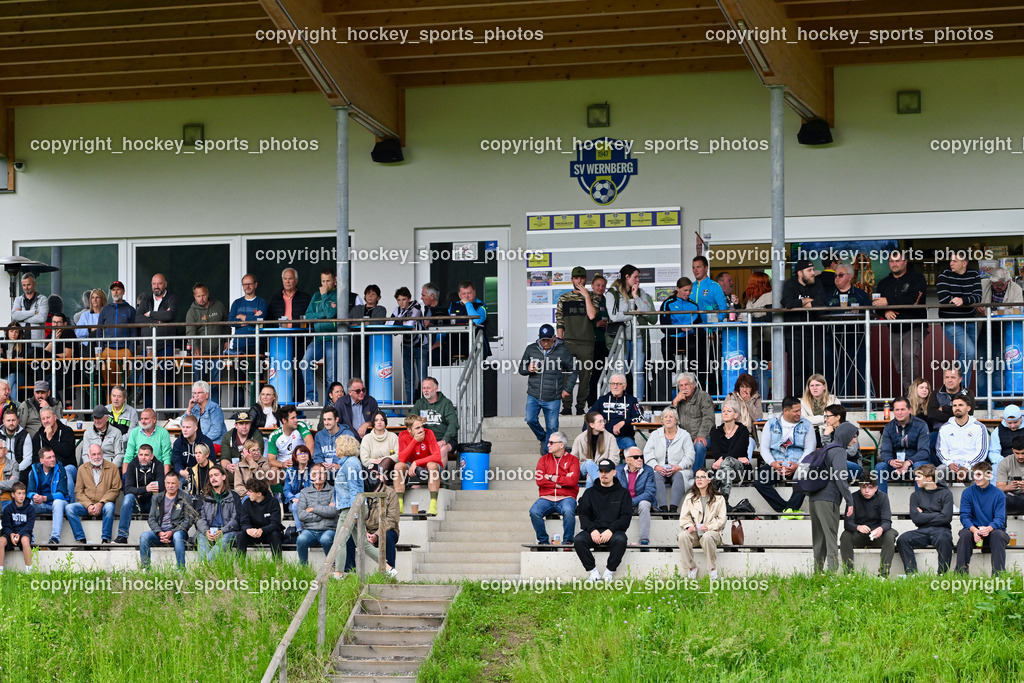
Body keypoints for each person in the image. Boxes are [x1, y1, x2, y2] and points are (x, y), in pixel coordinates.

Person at [873, 253, 928, 392]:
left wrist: (889, 302)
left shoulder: (917, 278)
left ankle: (914, 396)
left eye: (897, 261)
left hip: (914, 326)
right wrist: (885, 312)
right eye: (891, 261)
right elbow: (876, 306)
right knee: (900, 366)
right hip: (894, 329)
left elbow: (914, 300)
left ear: (905, 261)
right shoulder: (884, 283)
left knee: (909, 356)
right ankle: (910, 395)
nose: (894, 264)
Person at [519, 324, 576, 454]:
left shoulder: (563, 350)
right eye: (543, 340)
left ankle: (547, 450)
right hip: (533, 394)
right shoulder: (531, 349)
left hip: (553, 397)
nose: (545, 343)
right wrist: (528, 369)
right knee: (530, 419)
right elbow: (521, 368)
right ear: (538, 337)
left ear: (554, 338)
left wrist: (568, 389)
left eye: (548, 340)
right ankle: (544, 439)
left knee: (552, 427)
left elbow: (573, 370)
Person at [574, 458, 633, 582]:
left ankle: (609, 572)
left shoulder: (623, 493)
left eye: (607, 471)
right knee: (579, 540)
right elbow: (583, 514)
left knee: (621, 540)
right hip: (594, 531)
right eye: (601, 471)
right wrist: (592, 530)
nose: (604, 474)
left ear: (614, 472)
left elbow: (625, 518)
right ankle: (593, 572)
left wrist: (611, 530)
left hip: (613, 532)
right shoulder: (589, 493)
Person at [754, 396, 813, 515]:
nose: (799, 413)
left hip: (797, 463)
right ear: (785, 411)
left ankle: (790, 508)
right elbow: (764, 448)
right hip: (777, 463)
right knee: (759, 481)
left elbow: (809, 449)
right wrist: (773, 463)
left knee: (806, 475)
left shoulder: (807, 425)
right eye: (796, 411)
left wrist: (798, 465)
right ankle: (786, 510)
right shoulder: (771, 424)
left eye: (800, 410)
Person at [605, 265, 656, 401]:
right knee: (620, 371)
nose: (638, 280)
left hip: (638, 336)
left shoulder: (640, 291)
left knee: (638, 371)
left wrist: (635, 296)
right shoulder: (612, 292)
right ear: (627, 277)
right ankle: (619, 400)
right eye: (635, 277)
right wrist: (633, 314)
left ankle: (638, 401)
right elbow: (614, 316)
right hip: (621, 337)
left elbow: (647, 311)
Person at [807, 430, 855, 572]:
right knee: (830, 537)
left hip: (813, 498)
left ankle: (818, 572)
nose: (855, 440)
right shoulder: (839, 451)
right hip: (828, 499)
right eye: (854, 436)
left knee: (818, 538)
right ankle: (832, 574)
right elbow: (841, 477)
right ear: (846, 436)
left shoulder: (825, 449)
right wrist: (849, 500)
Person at [896, 464, 954, 574]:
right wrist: (937, 514)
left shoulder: (946, 493)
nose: (915, 479)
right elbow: (916, 519)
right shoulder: (915, 495)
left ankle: (942, 575)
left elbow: (946, 518)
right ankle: (912, 575)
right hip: (922, 531)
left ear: (929, 478)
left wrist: (924, 515)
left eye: (918, 476)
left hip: (942, 530)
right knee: (903, 539)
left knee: (944, 539)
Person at [825, 263, 871, 397]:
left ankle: (870, 404)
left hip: (857, 338)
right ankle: (843, 404)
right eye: (835, 276)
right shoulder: (829, 296)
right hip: (834, 338)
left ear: (850, 277)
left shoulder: (861, 295)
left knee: (863, 370)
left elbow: (870, 313)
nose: (836, 278)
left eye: (840, 275)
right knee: (839, 372)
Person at [556, 266, 597, 416]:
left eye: (581, 278)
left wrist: (586, 296)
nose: (579, 281)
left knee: (585, 377)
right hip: (568, 343)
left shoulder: (593, 297)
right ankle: (566, 406)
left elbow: (592, 315)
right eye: (576, 278)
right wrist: (560, 343)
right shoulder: (564, 298)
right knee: (566, 376)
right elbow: (559, 322)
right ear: (572, 279)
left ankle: (580, 407)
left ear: (585, 279)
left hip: (586, 343)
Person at [955, 461, 1009, 575]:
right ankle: (960, 574)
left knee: (998, 535)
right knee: (965, 534)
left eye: (979, 475)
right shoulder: (967, 492)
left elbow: (1000, 519)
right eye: (974, 474)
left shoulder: (999, 494)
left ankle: (998, 576)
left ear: (989, 475)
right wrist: (974, 530)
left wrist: (988, 528)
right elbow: (964, 516)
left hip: (993, 532)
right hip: (974, 533)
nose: (976, 478)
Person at [937, 252, 982, 389]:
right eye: (951, 260)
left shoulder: (974, 274)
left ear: (964, 263)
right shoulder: (944, 274)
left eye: (955, 261)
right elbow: (944, 298)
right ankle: (960, 390)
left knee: (968, 355)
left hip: (970, 319)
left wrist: (962, 300)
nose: (951, 263)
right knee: (969, 352)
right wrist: (965, 300)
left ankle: (961, 389)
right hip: (951, 321)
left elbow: (978, 297)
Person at [781, 259, 826, 394]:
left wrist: (799, 303)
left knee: (816, 369)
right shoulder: (790, 284)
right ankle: (799, 402)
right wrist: (805, 301)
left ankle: (816, 402)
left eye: (813, 270)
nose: (813, 273)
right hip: (795, 335)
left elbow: (822, 302)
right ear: (800, 273)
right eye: (809, 270)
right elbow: (787, 302)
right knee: (797, 370)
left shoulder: (817, 283)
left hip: (815, 333)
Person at [840, 474, 898, 576]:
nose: (867, 491)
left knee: (889, 535)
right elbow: (847, 523)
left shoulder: (883, 497)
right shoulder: (853, 498)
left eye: (870, 488)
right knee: (845, 535)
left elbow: (887, 521)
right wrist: (857, 527)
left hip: (877, 534)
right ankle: (848, 574)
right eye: (864, 487)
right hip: (859, 534)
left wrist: (880, 529)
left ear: (876, 488)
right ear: (860, 487)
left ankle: (883, 575)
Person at [529, 431, 579, 546]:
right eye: (548, 442)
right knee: (534, 511)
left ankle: (567, 541)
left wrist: (551, 477)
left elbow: (572, 481)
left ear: (561, 445)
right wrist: (561, 481)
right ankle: (543, 542)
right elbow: (540, 481)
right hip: (546, 497)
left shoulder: (573, 460)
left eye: (551, 442)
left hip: (566, 497)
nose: (548, 445)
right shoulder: (543, 460)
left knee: (568, 511)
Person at [873, 397, 931, 493]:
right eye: (897, 410)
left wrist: (908, 463)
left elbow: (924, 451)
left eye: (902, 409)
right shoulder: (888, 427)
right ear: (893, 411)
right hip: (895, 466)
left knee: (920, 466)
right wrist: (891, 462)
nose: (899, 413)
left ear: (909, 410)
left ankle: (921, 504)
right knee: (880, 467)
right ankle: (881, 505)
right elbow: (885, 451)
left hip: (914, 465)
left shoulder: (921, 425)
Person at [66, 443, 122, 543]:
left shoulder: (113, 468)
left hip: (104, 504)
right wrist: (89, 505)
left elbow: (115, 489)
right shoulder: (82, 469)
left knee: (110, 507)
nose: (97, 457)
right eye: (94, 454)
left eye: (99, 454)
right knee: (69, 508)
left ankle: (105, 539)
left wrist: (101, 503)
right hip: (87, 506)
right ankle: (81, 539)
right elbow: (78, 491)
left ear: (103, 454)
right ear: (88, 456)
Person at [659, 277, 703, 402]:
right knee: (665, 345)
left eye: (690, 291)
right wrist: (679, 329)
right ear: (678, 289)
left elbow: (699, 324)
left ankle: (692, 375)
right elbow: (664, 327)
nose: (688, 293)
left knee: (695, 344)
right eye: (685, 290)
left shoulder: (693, 305)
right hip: (673, 336)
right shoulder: (668, 303)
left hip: (688, 337)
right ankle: (673, 374)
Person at [300, 267, 340, 406]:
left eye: (328, 281)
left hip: (332, 339)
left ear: (335, 281)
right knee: (304, 363)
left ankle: (330, 404)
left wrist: (324, 298)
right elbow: (308, 315)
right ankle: (312, 399)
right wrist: (321, 315)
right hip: (318, 338)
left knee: (331, 375)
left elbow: (330, 315)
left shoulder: (338, 295)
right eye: (323, 281)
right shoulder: (316, 295)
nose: (325, 284)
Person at [678, 468, 727, 579]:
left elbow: (722, 519)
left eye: (702, 477)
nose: (699, 479)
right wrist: (688, 526)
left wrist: (709, 527)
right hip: (695, 533)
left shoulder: (719, 498)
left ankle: (712, 569)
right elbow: (684, 517)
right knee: (682, 536)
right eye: (697, 477)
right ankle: (691, 568)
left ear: (709, 480)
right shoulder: (690, 498)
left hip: (712, 533)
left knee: (707, 537)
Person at [139, 472, 196, 569]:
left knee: (178, 536)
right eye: (168, 483)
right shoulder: (157, 497)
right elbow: (151, 518)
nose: (170, 486)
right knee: (144, 536)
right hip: (160, 533)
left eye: (173, 483)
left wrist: (172, 532)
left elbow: (188, 520)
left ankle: (181, 569)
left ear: (179, 484)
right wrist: (159, 532)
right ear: (164, 484)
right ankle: (145, 569)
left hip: (177, 532)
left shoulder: (185, 498)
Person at [644, 407, 695, 512]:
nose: (668, 419)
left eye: (671, 417)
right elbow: (647, 453)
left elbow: (690, 455)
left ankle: (673, 508)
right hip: (659, 469)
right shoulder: (655, 435)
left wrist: (678, 467)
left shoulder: (684, 435)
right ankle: (663, 508)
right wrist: (656, 466)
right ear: (662, 420)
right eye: (665, 417)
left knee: (678, 476)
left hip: (679, 469)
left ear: (676, 420)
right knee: (655, 476)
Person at [690, 257, 728, 396]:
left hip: (710, 334)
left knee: (711, 367)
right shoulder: (691, 287)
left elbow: (723, 309)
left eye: (698, 267)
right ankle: (696, 397)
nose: (695, 270)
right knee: (695, 366)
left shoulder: (714, 286)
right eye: (693, 267)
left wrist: (714, 328)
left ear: (706, 268)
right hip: (693, 333)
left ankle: (713, 399)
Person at [115, 443, 164, 544]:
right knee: (128, 497)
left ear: (152, 456)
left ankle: (160, 534)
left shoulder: (158, 465)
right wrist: (146, 489)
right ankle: (122, 536)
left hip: (152, 503)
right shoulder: (132, 465)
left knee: (158, 495)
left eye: (146, 455)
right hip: (138, 503)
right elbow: (128, 489)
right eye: (141, 455)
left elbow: (162, 487)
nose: (143, 458)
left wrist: (138, 490)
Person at [184, 282, 229, 391]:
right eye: (198, 296)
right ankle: (200, 408)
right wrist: (195, 347)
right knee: (200, 387)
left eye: (203, 295)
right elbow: (190, 332)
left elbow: (227, 324)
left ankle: (214, 408)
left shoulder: (219, 306)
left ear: (208, 294)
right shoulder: (192, 312)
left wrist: (227, 340)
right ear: (194, 297)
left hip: (217, 353)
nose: (202, 298)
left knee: (215, 385)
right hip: (200, 355)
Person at [395, 415, 443, 515]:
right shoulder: (403, 435)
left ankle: (433, 505)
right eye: (417, 428)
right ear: (409, 429)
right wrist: (414, 441)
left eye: (422, 426)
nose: (421, 430)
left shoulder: (429, 433)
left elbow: (437, 456)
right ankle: (399, 507)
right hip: (412, 469)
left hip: (428, 467)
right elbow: (402, 458)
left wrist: (416, 462)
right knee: (398, 466)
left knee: (432, 466)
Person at [331, 434, 365, 577]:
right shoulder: (349, 462)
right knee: (364, 544)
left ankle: (338, 573)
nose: (336, 449)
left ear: (344, 448)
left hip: (350, 508)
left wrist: (355, 513)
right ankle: (388, 569)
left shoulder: (350, 463)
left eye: (337, 446)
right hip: (350, 506)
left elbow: (354, 489)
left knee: (340, 540)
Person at [936, 396, 988, 484]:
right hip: (951, 466)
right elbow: (940, 450)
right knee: (938, 472)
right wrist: (949, 463)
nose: (957, 408)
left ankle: (974, 498)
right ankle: (944, 497)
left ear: (968, 408)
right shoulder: (945, 428)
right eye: (954, 405)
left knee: (979, 474)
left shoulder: (979, 427)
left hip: (972, 466)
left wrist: (966, 467)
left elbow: (982, 452)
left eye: (960, 405)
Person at [195, 465, 243, 561]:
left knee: (224, 539)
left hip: (227, 531)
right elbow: (199, 518)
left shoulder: (234, 496)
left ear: (224, 477)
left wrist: (222, 531)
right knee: (200, 537)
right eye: (211, 476)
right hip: (208, 531)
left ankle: (204, 567)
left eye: (216, 475)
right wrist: (206, 531)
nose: (213, 478)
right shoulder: (204, 496)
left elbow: (236, 518)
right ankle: (207, 568)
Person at [386, 286, 425, 402]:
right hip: (407, 345)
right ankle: (410, 406)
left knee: (423, 378)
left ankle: (425, 406)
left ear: (409, 299)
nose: (401, 303)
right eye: (398, 300)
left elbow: (410, 323)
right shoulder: (397, 309)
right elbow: (389, 324)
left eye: (403, 299)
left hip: (420, 346)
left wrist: (399, 323)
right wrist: (402, 322)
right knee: (409, 378)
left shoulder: (416, 306)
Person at [295, 463, 339, 565]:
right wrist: (324, 513)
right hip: (310, 530)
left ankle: (332, 567)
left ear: (326, 476)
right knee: (301, 539)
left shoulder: (333, 491)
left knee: (326, 539)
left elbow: (333, 512)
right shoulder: (304, 492)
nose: (319, 476)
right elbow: (301, 515)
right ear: (311, 475)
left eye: (322, 473)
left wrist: (313, 509)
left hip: (328, 529)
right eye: (315, 473)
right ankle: (304, 569)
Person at [671, 372, 714, 476]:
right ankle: (674, 476)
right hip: (685, 437)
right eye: (681, 385)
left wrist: (701, 435)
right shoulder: (678, 400)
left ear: (693, 385)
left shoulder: (703, 396)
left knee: (699, 445)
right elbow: (669, 419)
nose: (684, 388)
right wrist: (675, 403)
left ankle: (696, 477)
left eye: (686, 385)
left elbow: (709, 418)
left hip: (705, 436)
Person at [708, 398, 751, 502]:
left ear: (736, 415)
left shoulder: (743, 431)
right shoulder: (715, 433)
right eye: (723, 411)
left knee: (729, 461)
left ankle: (716, 483)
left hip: (740, 469)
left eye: (729, 411)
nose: (725, 413)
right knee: (727, 467)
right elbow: (716, 452)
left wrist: (723, 458)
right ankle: (724, 500)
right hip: (725, 469)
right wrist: (732, 457)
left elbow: (738, 450)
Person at [96, 281, 137, 387]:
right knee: (108, 383)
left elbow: (134, 332)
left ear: (123, 292)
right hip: (108, 350)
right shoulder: (105, 309)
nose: (115, 292)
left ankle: (124, 404)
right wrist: (101, 349)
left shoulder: (130, 310)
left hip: (124, 350)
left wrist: (130, 350)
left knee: (123, 383)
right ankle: (109, 404)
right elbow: (99, 330)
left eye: (118, 289)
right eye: (113, 290)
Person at [28, 447, 69, 546]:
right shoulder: (34, 470)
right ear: (41, 460)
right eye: (49, 457)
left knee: (57, 502)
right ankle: (29, 538)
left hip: (57, 504)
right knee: (30, 504)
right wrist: (35, 496)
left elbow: (62, 493)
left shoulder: (60, 469)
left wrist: (45, 498)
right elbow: (29, 492)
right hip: (41, 504)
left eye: (53, 456)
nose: (53, 459)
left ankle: (55, 538)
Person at [410, 377, 459, 461]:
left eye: (428, 388)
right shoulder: (419, 403)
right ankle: (422, 473)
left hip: (446, 439)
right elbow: (410, 421)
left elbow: (453, 424)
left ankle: (439, 474)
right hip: (425, 440)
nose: (425, 390)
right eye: (423, 388)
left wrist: (444, 440)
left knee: (442, 449)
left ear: (436, 389)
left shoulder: (446, 403)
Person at [926, 367, 974, 452]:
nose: (949, 380)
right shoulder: (936, 393)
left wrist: (944, 408)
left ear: (960, 379)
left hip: (963, 431)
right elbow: (932, 414)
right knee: (927, 443)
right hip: (939, 431)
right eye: (947, 377)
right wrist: (957, 414)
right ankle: (937, 466)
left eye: (953, 377)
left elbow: (969, 413)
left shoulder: (967, 393)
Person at [364, 470, 401, 578]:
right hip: (365, 531)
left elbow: (392, 520)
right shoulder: (362, 492)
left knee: (387, 536)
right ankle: (348, 572)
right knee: (349, 537)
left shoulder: (391, 493)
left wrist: (377, 534)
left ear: (381, 476)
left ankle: (388, 573)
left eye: (375, 474)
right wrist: (363, 532)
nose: (372, 477)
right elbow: (357, 516)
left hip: (386, 529)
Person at [592, 373, 643, 451]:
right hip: (604, 437)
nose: (615, 386)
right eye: (612, 384)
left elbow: (639, 418)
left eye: (618, 384)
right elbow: (589, 417)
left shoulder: (632, 400)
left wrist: (623, 422)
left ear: (624, 385)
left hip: (624, 438)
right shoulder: (602, 400)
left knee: (632, 447)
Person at [347, 283, 387, 383]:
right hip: (357, 344)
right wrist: (365, 323)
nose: (370, 296)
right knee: (356, 371)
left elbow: (378, 322)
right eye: (368, 293)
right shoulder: (357, 308)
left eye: (373, 294)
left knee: (372, 372)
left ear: (378, 297)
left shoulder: (381, 309)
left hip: (373, 344)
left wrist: (359, 323)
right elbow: (348, 323)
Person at [616, 446, 656, 545]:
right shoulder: (618, 470)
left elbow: (649, 493)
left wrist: (631, 502)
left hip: (638, 503)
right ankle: (614, 538)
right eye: (636, 457)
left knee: (645, 504)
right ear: (627, 459)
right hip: (623, 504)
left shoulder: (648, 470)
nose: (640, 459)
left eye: (641, 457)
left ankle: (644, 540)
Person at [32, 407, 76, 494]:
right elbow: (35, 458)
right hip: (46, 468)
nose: (46, 421)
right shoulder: (38, 436)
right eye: (43, 419)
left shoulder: (67, 431)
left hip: (67, 466)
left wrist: (50, 439)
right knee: (32, 472)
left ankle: (70, 505)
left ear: (55, 417)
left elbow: (66, 453)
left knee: (66, 473)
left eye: (48, 417)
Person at [237, 477, 283, 557]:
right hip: (253, 533)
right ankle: (239, 564)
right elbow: (244, 521)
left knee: (275, 534)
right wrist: (248, 530)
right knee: (241, 535)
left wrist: (262, 530)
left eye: (250, 491)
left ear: (259, 494)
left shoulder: (273, 502)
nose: (247, 493)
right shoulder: (247, 503)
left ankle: (278, 563)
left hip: (268, 533)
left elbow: (275, 523)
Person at [444, 280, 490, 361]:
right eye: (463, 294)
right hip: (456, 343)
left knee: (476, 371)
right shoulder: (453, 306)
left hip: (476, 344)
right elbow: (446, 324)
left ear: (474, 293)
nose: (466, 296)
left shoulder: (481, 306)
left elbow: (476, 321)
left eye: (469, 293)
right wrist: (439, 341)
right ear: (459, 295)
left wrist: (467, 303)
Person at [572, 411, 618, 489]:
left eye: (604, 421)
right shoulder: (580, 438)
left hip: (604, 469)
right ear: (592, 425)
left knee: (590, 480)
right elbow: (573, 458)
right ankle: (600, 484)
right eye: (600, 422)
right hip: (583, 469)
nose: (603, 423)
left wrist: (597, 470)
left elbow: (614, 458)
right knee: (589, 463)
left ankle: (588, 500)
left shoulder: (610, 438)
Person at [122, 408, 173, 475]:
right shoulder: (134, 432)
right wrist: (125, 476)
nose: (143, 421)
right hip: (137, 470)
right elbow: (128, 456)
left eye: (146, 419)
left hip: (157, 470)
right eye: (141, 418)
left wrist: (166, 478)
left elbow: (166, 457)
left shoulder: (163, 432)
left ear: (154, 420)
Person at [227, 273, 266, 355]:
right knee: (239, 368)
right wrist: (252, 319)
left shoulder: (261, 303)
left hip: (256, 345)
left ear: (255, 285)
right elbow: (230, 322)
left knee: (257, 368)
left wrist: (241, 316)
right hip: (238, 345)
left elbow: (260, 320)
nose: (247, 286)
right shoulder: (237, 303)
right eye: (245, 284)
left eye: (249, 284)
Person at [267, 404, 315, 471]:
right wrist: (282, 464)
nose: (296, 420)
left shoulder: (300, 426)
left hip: (301, 464)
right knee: (273, 471)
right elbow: (271, 460)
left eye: (296, 417)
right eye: (292, 418)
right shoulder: (274, 436)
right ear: (284, 420)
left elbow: (310, 443)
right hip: (284, 467)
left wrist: (303, 461)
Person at [822, 406, 864, 479]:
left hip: (853, 466)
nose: (825, 419)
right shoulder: (828, 431)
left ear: (838, 417)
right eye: (825, 416)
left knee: (835, 463)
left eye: (828, 416)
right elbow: (826, 452)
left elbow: (852, 452)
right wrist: (826, 437)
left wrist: (835, 454)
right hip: (835, 466)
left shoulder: (849, 429)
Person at [588, 275, 611, 407]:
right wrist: (596, 325)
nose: (600, 288)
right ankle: (591, 403)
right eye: (598, 285)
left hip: (605, 342)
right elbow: (584, 321)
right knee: (592, 373)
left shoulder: (607, 301)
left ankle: (601, 403)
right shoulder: (587, 300)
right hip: (591, 341)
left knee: (603, 373)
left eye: (603, 285)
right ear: (592, 286)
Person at [0, 482, 34, 571]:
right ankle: (0, 572)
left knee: (25, 540)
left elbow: (29, 526)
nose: (22, 496)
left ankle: (29, 571)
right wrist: (11, 534)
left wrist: (19, 534)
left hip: (23, 533)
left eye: (23, 493)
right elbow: (6, 525)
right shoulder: (8, 509)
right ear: (13, 494)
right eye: (19, 493)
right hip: (10, 534)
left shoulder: (30, 509)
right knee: (1, 541)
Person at [171, 414, 216, 481]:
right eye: (183, 427)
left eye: (188, 427)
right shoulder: (177, 443)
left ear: (195, 428)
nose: (185, 430)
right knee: (174, 480)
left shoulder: (206, 442)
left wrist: (196, 472)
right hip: (183, 474)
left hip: (203, 473)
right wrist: (182, 471)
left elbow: (211, 461)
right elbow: (177, 462)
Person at [742, 271, 773, 364]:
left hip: (765, 341)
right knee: (756, 370)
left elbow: (770, 317)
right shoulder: (752, 298)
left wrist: (751, 320)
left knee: (762, 370)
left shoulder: (769, 296)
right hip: (754, 340)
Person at [727, 373, 763, 453]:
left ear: (752, 388)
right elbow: (725, 418)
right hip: (733, 434)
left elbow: (758, 418)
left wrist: (748, 402)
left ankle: (745, 465)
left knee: (748, 445)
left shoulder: (756, 398)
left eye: (747, 387)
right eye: (742, 386)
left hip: (749, 436)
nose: (744, 390)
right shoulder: (731, 397)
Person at [800, 374, 838, 446]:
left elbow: (837, 419)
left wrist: (814, 421)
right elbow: (804, 421)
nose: (814, 388)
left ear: (824, 387)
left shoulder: (834, 400)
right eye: (812, 385)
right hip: (810, 434)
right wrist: (824, 418)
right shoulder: (802, 402)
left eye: (817, 385)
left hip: (831, 433)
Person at [360, 410, 399, 480]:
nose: (379, 422)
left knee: (387, 461)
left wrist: (383, 461)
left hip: (391, 469)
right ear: (373, 423)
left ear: (385, 422)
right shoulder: (367, 438)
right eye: (376, 420)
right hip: (372, 469)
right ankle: (379, 475)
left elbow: (398, 456)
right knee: (384, 474)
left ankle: (378, 473)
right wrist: (380, 462)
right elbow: (365, 460)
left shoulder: (393, 436)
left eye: (382, 420)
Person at [987, 404, 1022, 480]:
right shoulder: (997, 431)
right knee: (994, 470)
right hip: (1005, 462)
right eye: (1009, 423)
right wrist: (1005, 462)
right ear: (1004, 420)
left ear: (1021, 418)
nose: (1012, 426)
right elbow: (993, 452)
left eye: (1015, 422)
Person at [11, 272, 48, 342]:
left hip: (37, 342)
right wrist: (33, 312)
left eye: (28, 285)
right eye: (24, 285)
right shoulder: (18, 299)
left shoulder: (43, 299)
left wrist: (21, 318)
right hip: (20, 341)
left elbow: (42, 318)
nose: (26, 288)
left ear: (34, 284)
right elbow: (14, 316)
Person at [283, 445, 313, 531]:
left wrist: (299, 497)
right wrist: (293, 499)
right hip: (294, 502)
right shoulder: (290, 471)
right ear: (295, 457)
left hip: (311, 500)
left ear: (309, 456)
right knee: (296, 505)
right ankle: (302, 529)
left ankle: (301, 531)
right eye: (300, 454)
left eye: (305, 453)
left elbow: (312, 489)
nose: (303, 455)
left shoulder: (314, 470)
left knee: (300, 497)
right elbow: (286, 490)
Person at [995, 434, 1024, 515]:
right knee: (998, 498)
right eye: (1017, 453)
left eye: (1023, 453)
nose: (1020, 456)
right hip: (1012, 496)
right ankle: (1000, 527)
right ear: (1012, 450)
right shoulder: (1005, 462)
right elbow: (999, 487)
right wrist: (1008, 487)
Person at [3, 411, 33, 482]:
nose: (11, 423)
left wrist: (15, 470)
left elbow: (28, 459)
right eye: (8, 420)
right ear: (4, 422)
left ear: (18, 421)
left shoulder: (25, 435)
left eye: (13, 420)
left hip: (19, 469)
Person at [1, 327, 27, 403]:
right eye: (11, 331)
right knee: (14, 386)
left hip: (21, 376)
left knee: (12, 376)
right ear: (7, 332)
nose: (13, 334)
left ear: (19, 333)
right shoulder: (3, 342)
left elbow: (25, 356)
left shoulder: (23, 343)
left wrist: (4, 355)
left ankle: (1, 398)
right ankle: (12, 407)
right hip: (7, 376)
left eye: (16, 332)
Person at [0, 441, 18, 511]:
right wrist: (6, 483)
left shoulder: (13, 464)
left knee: (10, 512)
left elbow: (13, 484)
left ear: (5, 450)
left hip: (7, 500)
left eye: (0, 448)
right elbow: (9, 484)